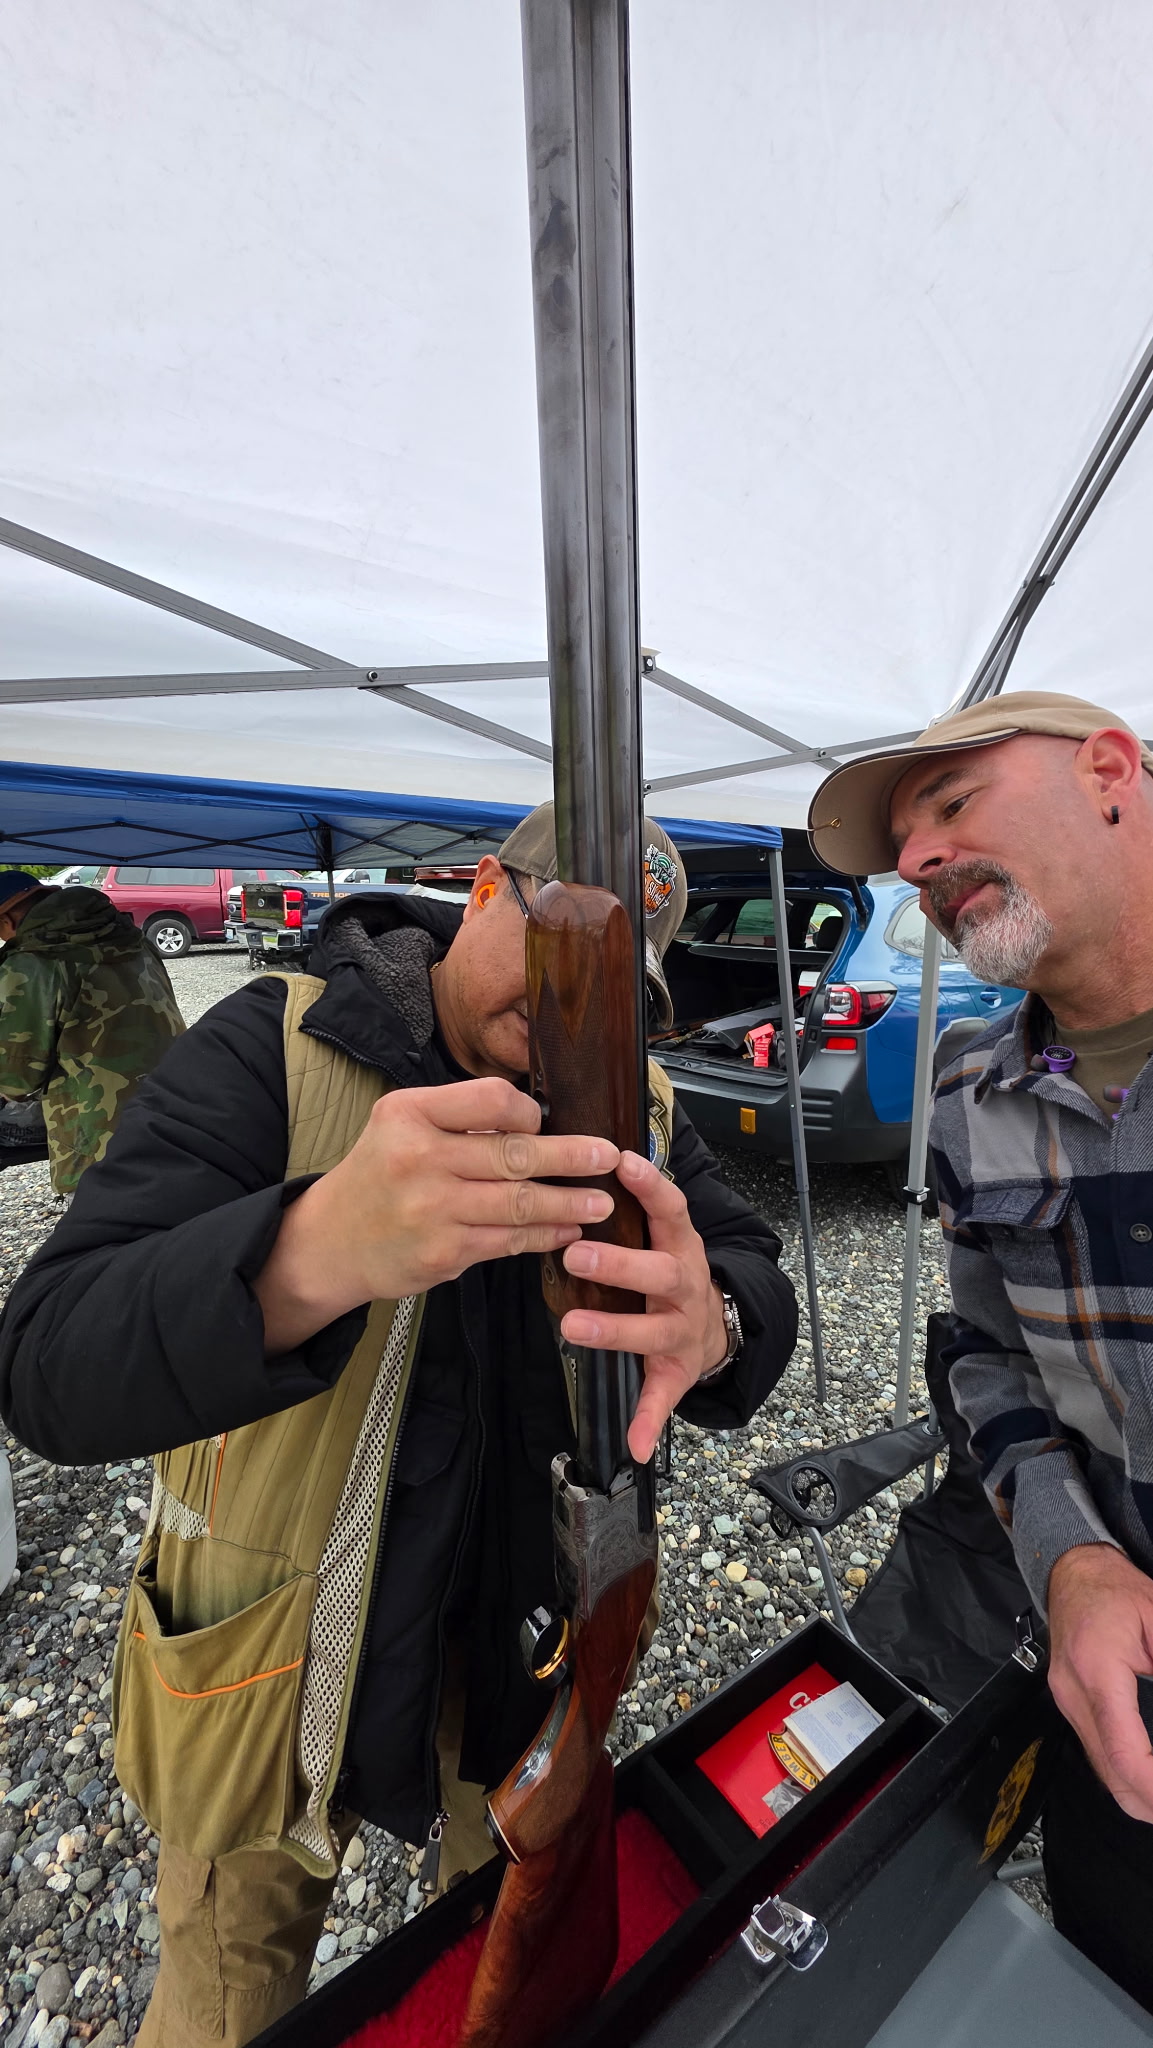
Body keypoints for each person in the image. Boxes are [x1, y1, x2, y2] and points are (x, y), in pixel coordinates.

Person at [0, 807, 797, 2048]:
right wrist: (309, 1250)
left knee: (502, 1973)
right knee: (225, 1997)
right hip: (271, 1663)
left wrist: (719, 1319)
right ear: (480, 890)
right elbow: (50, 1357)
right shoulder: (276, 1041)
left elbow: (748, 1260)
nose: (571, 1006)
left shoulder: (625, 1096)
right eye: (552, 948)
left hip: (521, 1652)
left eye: (616, 988)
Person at [809, 689, 1153, 2010]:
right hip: (1107, 1686)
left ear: (1111, 771)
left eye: (951, 804)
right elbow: (983, 1355)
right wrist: (1068, 1557)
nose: (915, 861)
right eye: (905, 845)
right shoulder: (964, 1085)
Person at [0, 870, 184, 1195]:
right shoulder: (134, 939)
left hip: (100, 1134)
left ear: (8, 918)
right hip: (173, 1106)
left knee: (109, 1219)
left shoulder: (33, 962)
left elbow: (16, 1079)